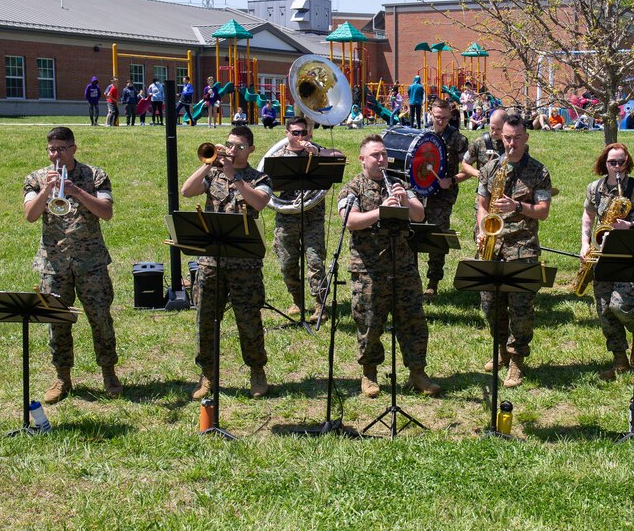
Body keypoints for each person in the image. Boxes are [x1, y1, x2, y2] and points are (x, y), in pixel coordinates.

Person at [23, 126, 121, 403]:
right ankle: (62, 377)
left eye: (61, 149)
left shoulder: (95, 176)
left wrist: (76, 191)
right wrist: (46, 191)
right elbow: (30, 216)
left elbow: (107, 212)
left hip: (91, 263)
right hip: (54, 264)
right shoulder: (35, 179)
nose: (56, 155)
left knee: (100, 319)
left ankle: (109, 372)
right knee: (57, 322)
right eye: (51, 149)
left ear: (73, 149)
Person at [337, 134, 440, 397]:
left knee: (413, 320)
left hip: (403, 265)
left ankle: (418, 372)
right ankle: (369, 373)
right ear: (362, 159)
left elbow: (420, 214)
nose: (382, 159)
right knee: (370, 322)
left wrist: (404, 200)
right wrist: (381, 211)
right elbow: (350, 220)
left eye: (383, 154)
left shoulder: (398, 182)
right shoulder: (352, 188)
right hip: (369, 268)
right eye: (375, 155)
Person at [181, 126, 273, 399]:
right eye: (229, 144)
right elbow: (187, 191)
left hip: (244, 264)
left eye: (239, 146)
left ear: (251, 150)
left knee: (249, 320)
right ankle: (208, 374)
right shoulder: (213, 173)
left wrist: (236, 178)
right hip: (211, 262)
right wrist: (209, 165)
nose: (232, 150)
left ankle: (257, 370)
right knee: (205, 320)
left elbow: (260, 203)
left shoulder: (260, 177)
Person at [476, 114, 552, 387]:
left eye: (517, 138)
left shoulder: (539, 172)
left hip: (522, 247)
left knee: (521, 308)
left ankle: (516, 359)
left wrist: (518, 207)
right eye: (507, 138)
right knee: (489, 305)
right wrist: (483, 228)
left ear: (526, 138)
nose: (511, 143)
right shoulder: (489, 169)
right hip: (492, 246)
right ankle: (500, 352)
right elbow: (481, 204)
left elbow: (543, 212)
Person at [582, 143, 634, 380]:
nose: (616, 167)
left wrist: (631, 225)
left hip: (630, 256)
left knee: (621, 306)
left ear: (627, 163)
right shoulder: (594, 189)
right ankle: (619, 361)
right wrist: (585, 244)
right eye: (612, 162)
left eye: (621, 162)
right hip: (602, 255)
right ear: (604, 163)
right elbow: (587, 216)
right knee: (605, 310)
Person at [272, 116, 344, 321]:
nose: (300, 137)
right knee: (287, 263)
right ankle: (297, 300)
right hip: (287, 216)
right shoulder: (278, 157)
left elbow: (340, 156)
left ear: (309, 133)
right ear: (287, 134)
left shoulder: (317, 152)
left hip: (313, 216)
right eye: (295, 133)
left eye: (303, 132)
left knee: (315, 261)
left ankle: (320, 304)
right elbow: (269, 185)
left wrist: (318, 152)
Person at [422, 99, 470, 298]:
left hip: (443, 196)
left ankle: (433, 282)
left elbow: (467, 169)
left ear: (450, 116)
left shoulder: (458, 139)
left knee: (437, 237)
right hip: (420, 192)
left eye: (444, 117)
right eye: (437, 117)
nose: (440, 121)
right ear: (431, 114)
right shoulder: (423, 135)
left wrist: (451, 180)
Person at [463, 107, 507, 239]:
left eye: (498, 129)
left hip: (504, 196)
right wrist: (479, 174)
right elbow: (465, 164)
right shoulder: (479, 142)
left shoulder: (511, 143)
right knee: (480, 233)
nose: (494, 132)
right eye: (492, 128)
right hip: (484, 195)